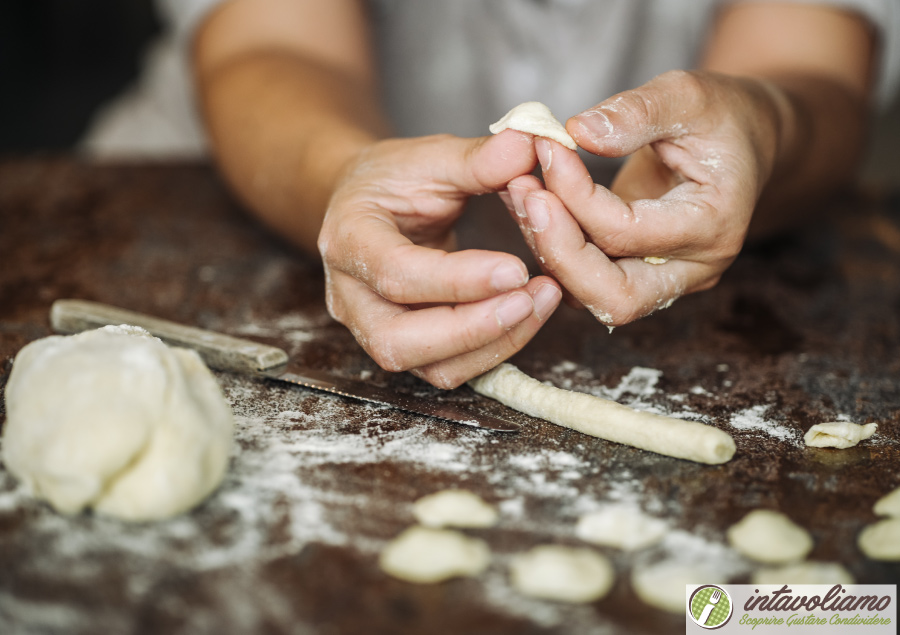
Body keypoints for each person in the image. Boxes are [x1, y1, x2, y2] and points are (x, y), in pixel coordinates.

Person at [85, 0, 899, 389]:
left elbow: (812, 67)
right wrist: (339, 174)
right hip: (216, 182)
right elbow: (270, 41)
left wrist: (760, 124)